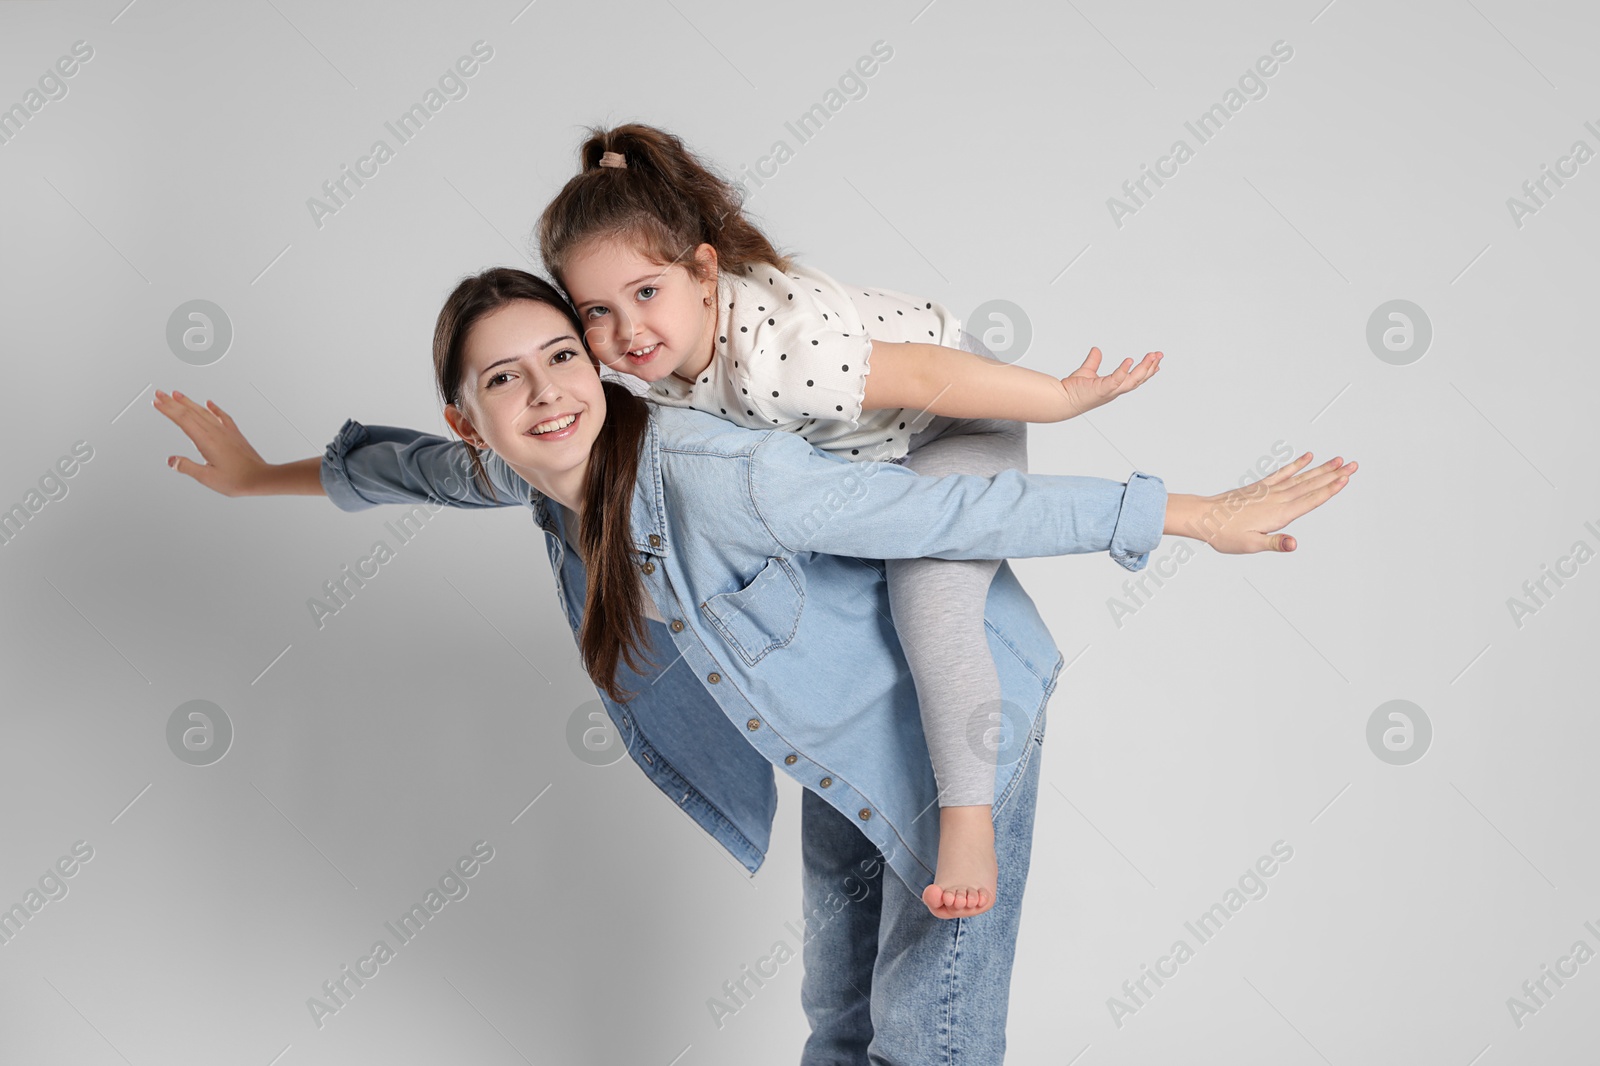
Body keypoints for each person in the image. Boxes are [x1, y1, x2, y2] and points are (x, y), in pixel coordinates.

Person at [153, 267, 1355, 1064]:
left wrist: (1189, 515)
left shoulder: (712, 471)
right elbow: (402, 469)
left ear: (598, 364)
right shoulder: (517, 474)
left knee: (925, 1033)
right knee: (836, 1017)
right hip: (837, 745)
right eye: (504, 379)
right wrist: (256, 474)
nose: (546, 391)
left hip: (956, 727)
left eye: (561, 356)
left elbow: (953, 518)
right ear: (477, 418)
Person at [537, 122, 1166, 918]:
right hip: (859, 454)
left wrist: (1063, 398)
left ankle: (966, 819)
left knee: (927, 600)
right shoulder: (646, 368)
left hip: (952, 422)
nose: (626, 332)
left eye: (646, 294)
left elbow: (933, 374)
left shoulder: (775, 356)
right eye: (596, 310)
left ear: (702, 272)